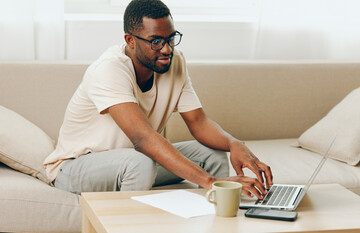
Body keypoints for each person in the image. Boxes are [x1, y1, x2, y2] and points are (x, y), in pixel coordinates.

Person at [44, 0, 273, 199]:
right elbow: (143, 139)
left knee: (210, 153)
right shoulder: (109, 70)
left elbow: (199, 122)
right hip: (75, 169)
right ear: (130, 40)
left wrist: (235, 144)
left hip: (133, 163)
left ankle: (216, 222)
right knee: (139, 162)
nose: (166, 49)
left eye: (171, 38)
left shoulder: (175, 63)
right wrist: (209, 180)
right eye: (155, 41)